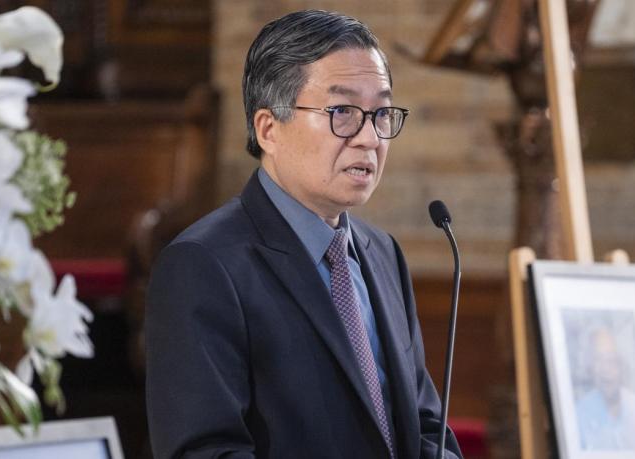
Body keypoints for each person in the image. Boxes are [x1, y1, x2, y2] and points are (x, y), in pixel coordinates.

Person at [145, 10, 463, 459]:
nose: (370, 138)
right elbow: (204, 452)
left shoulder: (382, 253)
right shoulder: (203, 264)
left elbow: (425, 424)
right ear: (268, 129)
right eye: (343, 112)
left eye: (381, 113)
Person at [575, 326, 635, 450]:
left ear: (622, 364)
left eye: (611, 358)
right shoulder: (578, 415)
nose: (606, 368)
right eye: (598, 359)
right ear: (590, 368)